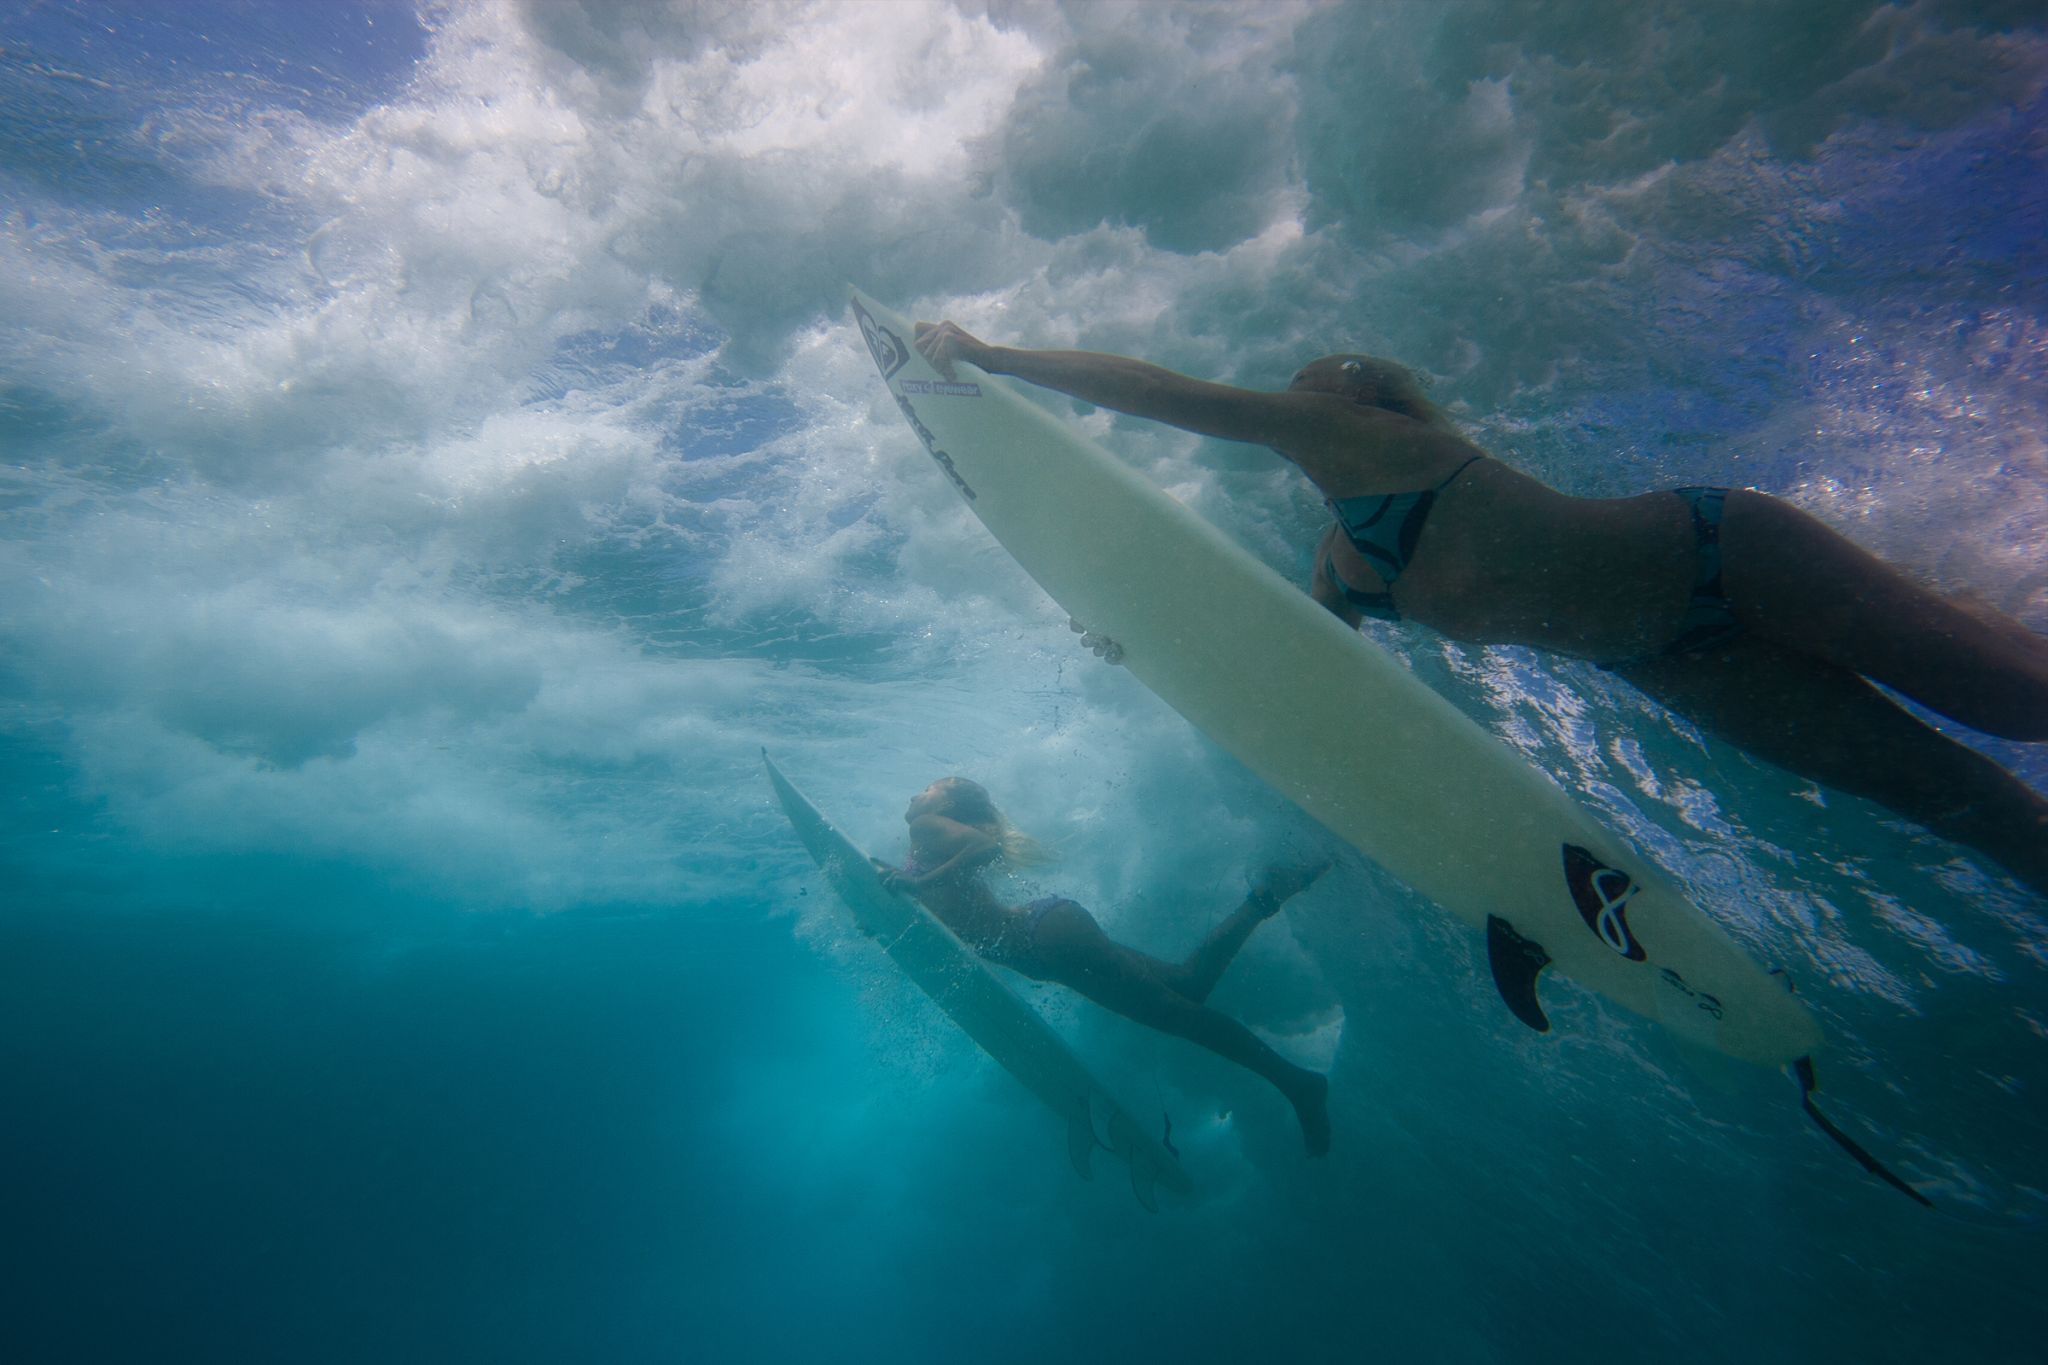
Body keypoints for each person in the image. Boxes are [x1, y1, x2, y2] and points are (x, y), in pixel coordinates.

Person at [911, 321, 2048, 897]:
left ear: (1365, 400)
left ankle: (1972, 618)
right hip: (1676, 658)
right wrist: (1136, 640)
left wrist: (989, 356)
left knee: (2017, 703)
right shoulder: (1343, 567)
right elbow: (1291, 675)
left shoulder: (1371, 440)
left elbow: (1160, 393)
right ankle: (1966, 614)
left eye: (1322, 377)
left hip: (1726, 553)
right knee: (1960, 805)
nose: (1300, 387)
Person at [873, 776, 1333, 1156]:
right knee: (1188, 983)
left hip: (1045, 939)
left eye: (927, 789)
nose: (915, 794)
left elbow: (984, 848)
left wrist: (917, 885)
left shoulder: (925, 828)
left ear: (945, 805)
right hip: (1049, 934)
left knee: (1178, 1015)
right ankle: (1267, 895)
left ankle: (1298, 1085)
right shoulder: (927, 843)